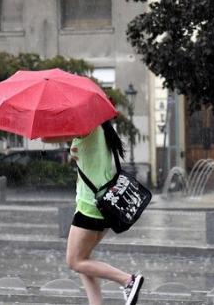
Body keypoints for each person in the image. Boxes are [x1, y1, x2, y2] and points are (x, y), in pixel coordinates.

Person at [43, 120, 144, 305]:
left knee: (74, 262)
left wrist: (43, 124)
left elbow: (47, 138)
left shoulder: (84, 126)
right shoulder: (103, 129)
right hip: (104, 206)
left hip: (89, 208)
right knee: (84, 260)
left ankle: (128, 280)